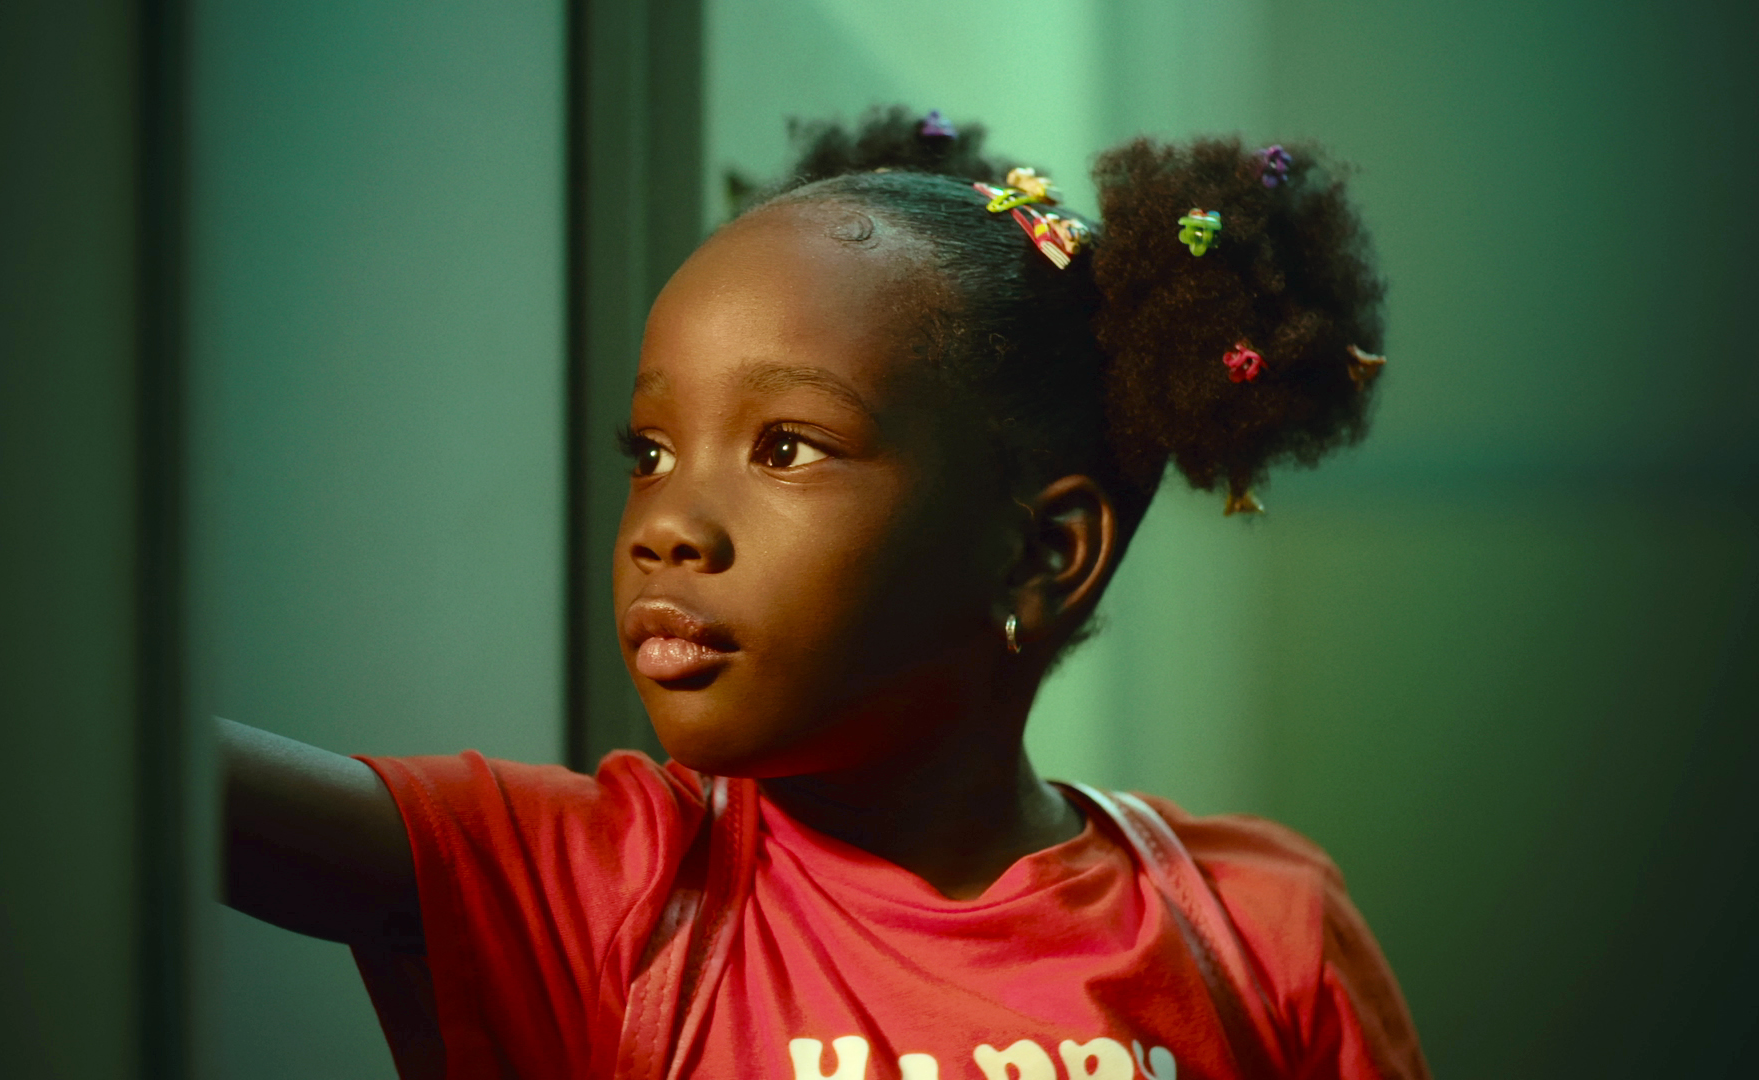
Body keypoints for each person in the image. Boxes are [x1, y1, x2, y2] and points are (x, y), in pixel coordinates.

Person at [221, 107, 1426, 1080]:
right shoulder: (601, 887)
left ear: (1040, 553)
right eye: (649, 453)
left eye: (787, 446)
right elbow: (138, 772)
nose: (668, 529)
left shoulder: (1261, 932)